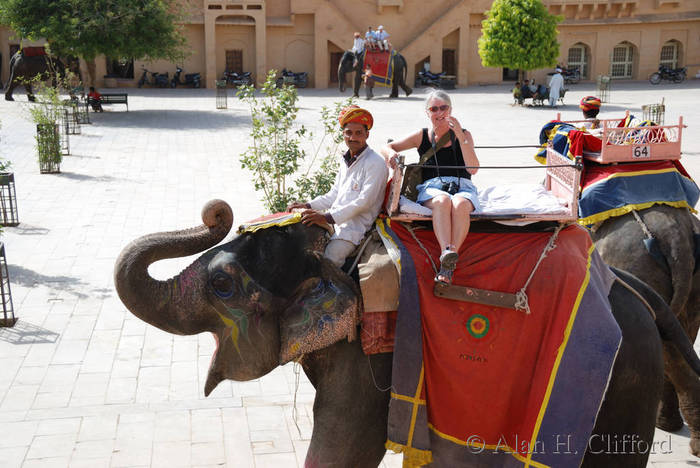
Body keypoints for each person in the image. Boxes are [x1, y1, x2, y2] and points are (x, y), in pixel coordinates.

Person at [381, 90, 480, 284]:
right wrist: (390, 155)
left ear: (450, 110)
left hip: (463, 186)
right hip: (433, 188)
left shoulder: (464, 134)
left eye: (443, 107)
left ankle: (448, 263)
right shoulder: (422, 135)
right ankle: (447, 254)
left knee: (459, 204)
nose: (439, 112)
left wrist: (460, 135)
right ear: (428, 113)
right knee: (443, 201)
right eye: (434, 108)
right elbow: (388, 146)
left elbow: (473, 169)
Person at [287, 106, 388, 268]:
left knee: (330, 259)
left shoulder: (375, 163)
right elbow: (334, 194)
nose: (353, 137)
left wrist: (325, 217)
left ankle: (332, 292)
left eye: (358, 133)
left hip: (355, 228)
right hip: (335, 222)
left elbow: (364, 202)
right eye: (348, 132)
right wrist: (307, 205)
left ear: (367, 135)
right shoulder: (346, 160)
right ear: (343, 134)